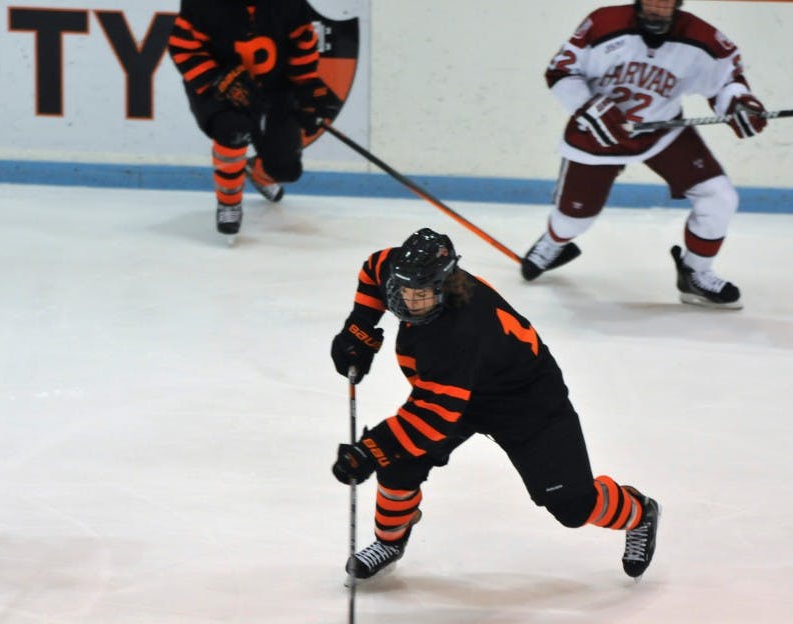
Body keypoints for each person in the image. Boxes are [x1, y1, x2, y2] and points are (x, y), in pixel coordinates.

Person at [329, 228, 660, 582]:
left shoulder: (462, 329)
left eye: (420, 295)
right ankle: (390, 542)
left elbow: (433, 417)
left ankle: (639, 512)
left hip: (525, 401)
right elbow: (374, 268)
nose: (408, 302)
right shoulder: (405, 272)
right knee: (398, 462)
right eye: (403, 290)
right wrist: (359, 328)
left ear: (444, 285)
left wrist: (369, 451)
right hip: (460, 390)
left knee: (574, 507)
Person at [522, 0, 769, 309]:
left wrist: (738, 103)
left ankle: (696, 274)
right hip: (599, 132)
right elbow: (561, 72)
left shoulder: (701, 37)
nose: (656, 7)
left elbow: (727, 82)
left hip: (662, 131)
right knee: (573, 220)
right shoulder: (603, 23)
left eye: (665, 2)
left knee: (719, 197)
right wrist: (588, 106)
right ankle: (553, 242)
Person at [168, 0, 341, 235]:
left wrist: (306, 87)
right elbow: (182, 47)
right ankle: (228, 200)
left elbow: (302, 42)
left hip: (275, 86)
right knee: (233, 129)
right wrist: (216, 80)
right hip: (219, 87)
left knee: (286, 170)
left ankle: (256, 171)